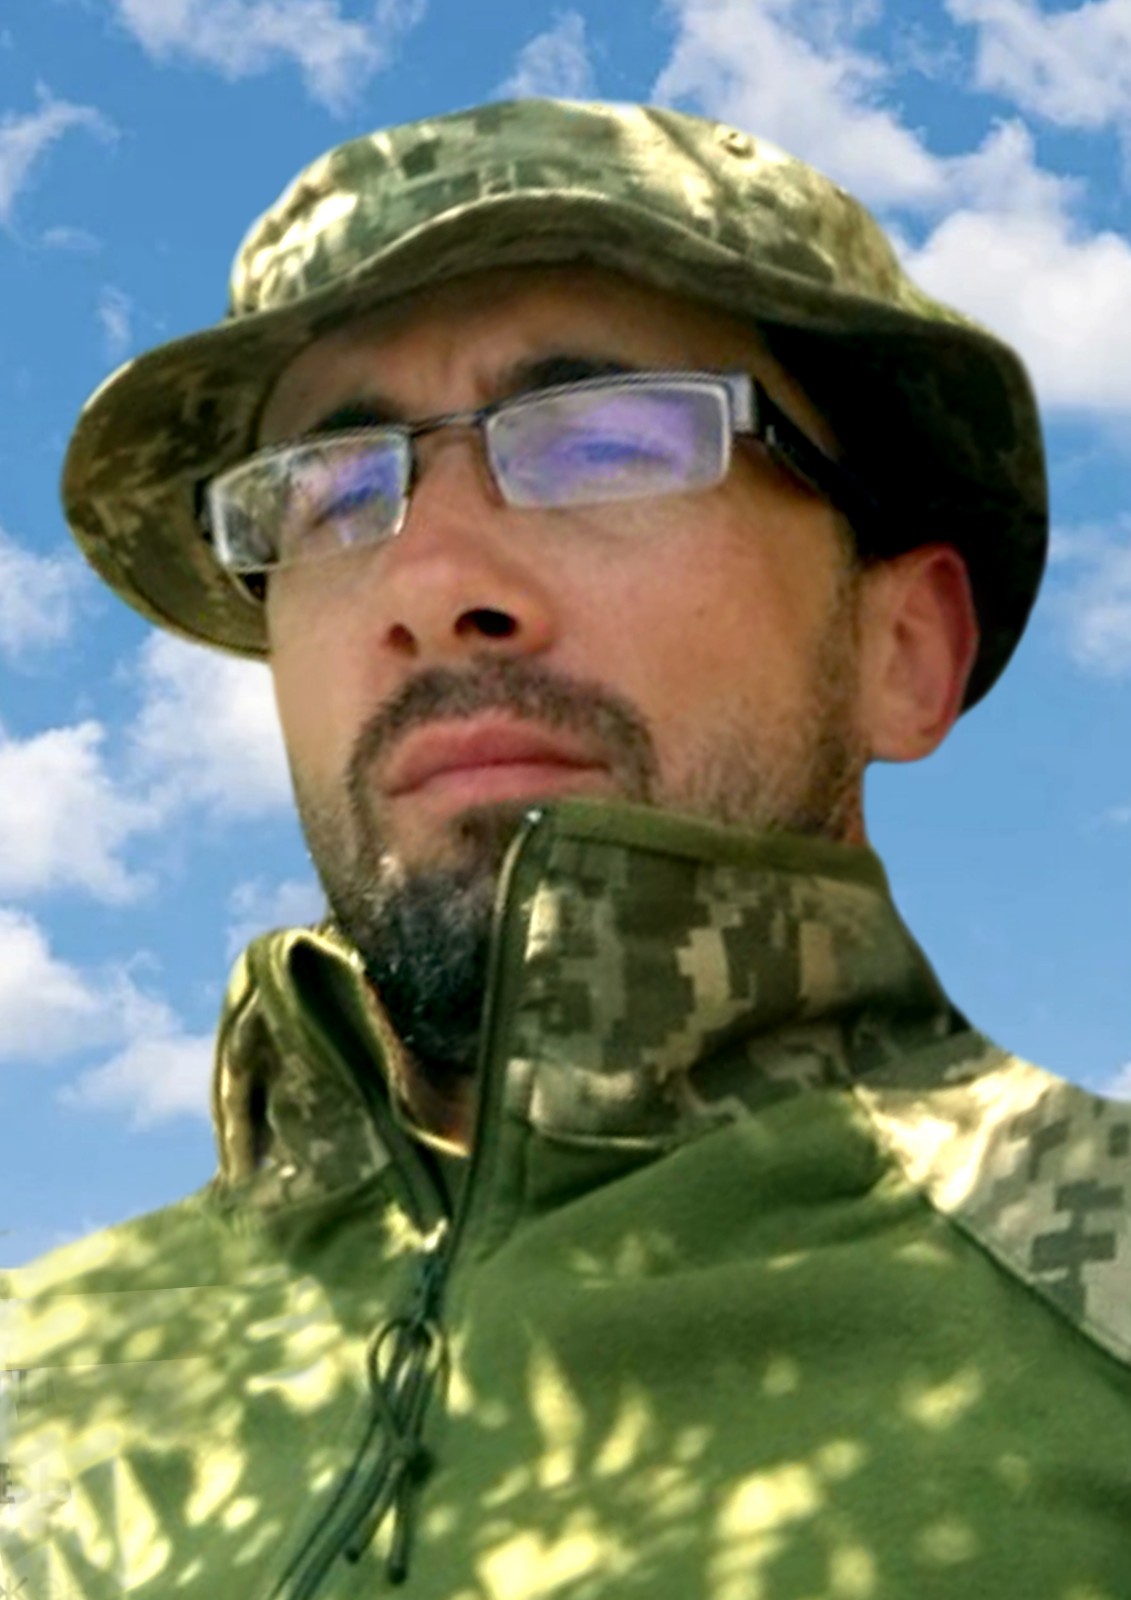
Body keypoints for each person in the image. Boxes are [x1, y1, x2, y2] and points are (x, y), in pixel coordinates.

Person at [2, 97, 1129, 1600]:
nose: (431, 580)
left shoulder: (1099, 1290)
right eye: (331, 492)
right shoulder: (34, 1381)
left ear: (902, 650)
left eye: (605, 440)